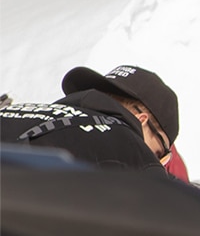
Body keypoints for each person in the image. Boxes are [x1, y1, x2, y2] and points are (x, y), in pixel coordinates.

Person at [1, 64, 178, 172]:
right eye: (159, 153)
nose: (157, 162)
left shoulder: (18, 112)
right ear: (141, 119)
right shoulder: (130, 151)